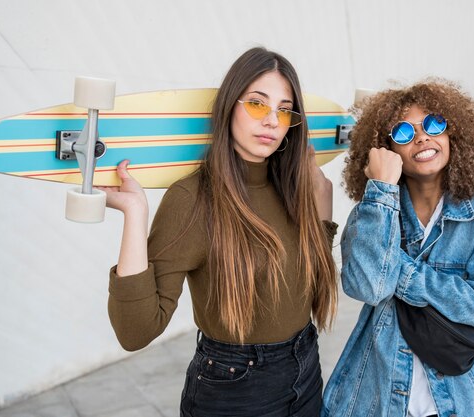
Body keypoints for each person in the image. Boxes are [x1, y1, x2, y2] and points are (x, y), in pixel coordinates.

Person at [100, 47, 338, 417]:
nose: (273, 120)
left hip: (306, 366)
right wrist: (135, 213)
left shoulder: (294, 188)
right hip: (235, 388)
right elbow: (135, 332)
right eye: (258, 104)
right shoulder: (192, 200)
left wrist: (323, 212)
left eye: (285, 109)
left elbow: (310, 288)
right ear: (229, 106)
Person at [322, 79, 474, 417]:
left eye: (433, 123)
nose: (422, 137)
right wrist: (381, 188)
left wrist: (400, 269)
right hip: (377, 395)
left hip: (460, 399)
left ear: (452, 134)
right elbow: (370, 287)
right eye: (403, 132)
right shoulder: (373, 211)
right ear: (386, 150)